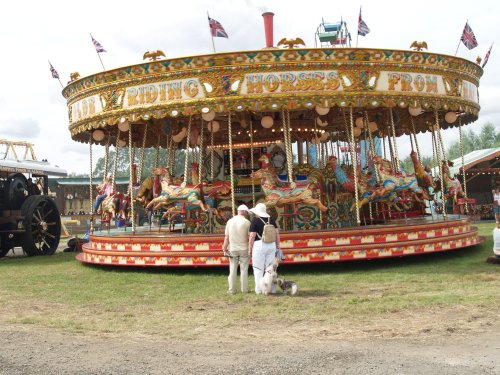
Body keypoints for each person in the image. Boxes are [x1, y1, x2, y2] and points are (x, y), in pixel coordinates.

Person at [248, 203, 281, 295]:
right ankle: (272, 289)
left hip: (259, 245)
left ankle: (259, 290)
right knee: (271, 269)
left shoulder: (255, 220)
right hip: (271, 245)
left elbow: (252, 236)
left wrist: (250, 248)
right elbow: (277, 234)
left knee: (258, 269)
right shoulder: (271, 219)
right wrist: (278, 245)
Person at [222, 204, 251, 294]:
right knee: (244, 269)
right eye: (247, 212)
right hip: (244, 248)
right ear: (244, 212)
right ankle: (245, 289)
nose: (247, 214)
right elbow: (250, 237)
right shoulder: (247, 222)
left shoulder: (230, 222)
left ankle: (232, 290)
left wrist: (224, 248)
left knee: (232, 269)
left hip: (233, 248)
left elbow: (227, 237)